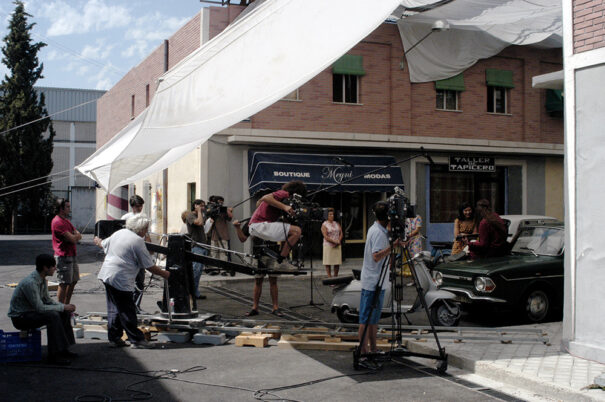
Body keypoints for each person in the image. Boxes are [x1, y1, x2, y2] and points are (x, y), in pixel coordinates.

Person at [94, 214, 170, 349]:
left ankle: (114, 337)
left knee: (114, 308)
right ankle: (136, 340)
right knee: (127, 310)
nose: (146, 232)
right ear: (140, 228)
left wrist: (98, 240)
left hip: (107, 274)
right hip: (121, 278)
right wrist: (165, 274)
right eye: (146, 229)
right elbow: (149, 265)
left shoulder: (119, 233)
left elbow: (103, 244)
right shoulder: (137, 241)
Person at [8, 254, 77, 365]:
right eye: (53, 266)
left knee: (63, 313)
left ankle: (64, 349)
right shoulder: (30, 283)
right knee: (52, 316)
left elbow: (48, 300)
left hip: (31, 312)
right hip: (20, 317)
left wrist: (64, 307)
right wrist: (62, 307)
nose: (55, 269)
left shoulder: (42, 280)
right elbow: (40, 308)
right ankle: (54, 355)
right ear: (45, 268)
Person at [358, 202, 399, 370]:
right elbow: (376, 256)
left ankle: (373, 348)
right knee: (366, 318)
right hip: (372, 280)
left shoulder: (377, 229)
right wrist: (393, 247)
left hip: (378, 280)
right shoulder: (379, 234)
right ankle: (362, 352)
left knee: (374, 319)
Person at [248, 180, 306, 271]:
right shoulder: (284, 193)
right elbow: (265, 197)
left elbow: (258, 203)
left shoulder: (282, 200)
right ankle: (281, 261)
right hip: (260, 225)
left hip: (257, 227)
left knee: (290, 233)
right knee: (297, 231)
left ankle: (281, 259)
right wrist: (284, 207)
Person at [233, 218, 282, 317]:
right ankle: (255, 307)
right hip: (259, 253)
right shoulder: (253, 220)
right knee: (258, 280)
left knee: (273, 280)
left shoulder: (275, 219)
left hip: (273, 253)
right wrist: (237, 228)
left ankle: (275, 308)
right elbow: (243, 238)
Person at [51, 198, 81, 305]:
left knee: (73, 281)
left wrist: (75, 236)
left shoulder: (66, 221)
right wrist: (75, 236)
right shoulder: (57, 222)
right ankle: (60, 308)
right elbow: (73, 238)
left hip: (71, 255)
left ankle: (66, 305)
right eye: (67, 207)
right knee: (63, 283)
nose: (69, 209)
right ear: (61, 208)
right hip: (63, 256)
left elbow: (78, 234)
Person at [121, 195, 148, 312]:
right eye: (137, 206)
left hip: (140, 251)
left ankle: (136, 305)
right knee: (129, 281)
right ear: (132, 207)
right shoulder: (126, 217)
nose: (140, 208)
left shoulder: (144, 217)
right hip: (129, 253)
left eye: (141, 206)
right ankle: (128, 305)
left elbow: (146, 234)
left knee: (140, 281)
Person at [186, 199, 213, 299]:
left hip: (203, 245)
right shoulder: (190, 216)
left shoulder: (201, 214)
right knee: (195, 271)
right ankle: (190, 292)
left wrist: (209, 223)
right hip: (196, 246)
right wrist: (199, 212)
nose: (203, 208)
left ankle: (195, 292)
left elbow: (204, 229)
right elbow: (199, 222)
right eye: (201, 206)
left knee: (199, 271)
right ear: (195, 206)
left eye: (204, 206)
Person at [206, 195, 232, 265]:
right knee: (214, 253)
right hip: (214, 235)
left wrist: (227, 210)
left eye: (222, 203)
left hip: (223, 235)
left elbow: (230, 218)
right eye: (219, 202)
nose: (221, 204)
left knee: (223, 253)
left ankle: (223, 269)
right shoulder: (211, 209)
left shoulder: (223, 210)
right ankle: (214, 268)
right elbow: (207, 214)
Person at [321, 208, 343, 278]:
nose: (332, 216)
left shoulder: (336, 223)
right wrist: (334, 241)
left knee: (337, 262)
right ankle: (330, 278)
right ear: (326, 216)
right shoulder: (324, 224)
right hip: (328, 245)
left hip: (337, 245)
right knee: (328, 263)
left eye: (333, 214)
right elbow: (325, 236)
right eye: (330, 214)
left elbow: (341, 233)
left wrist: (338, 240)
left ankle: (335, 277)